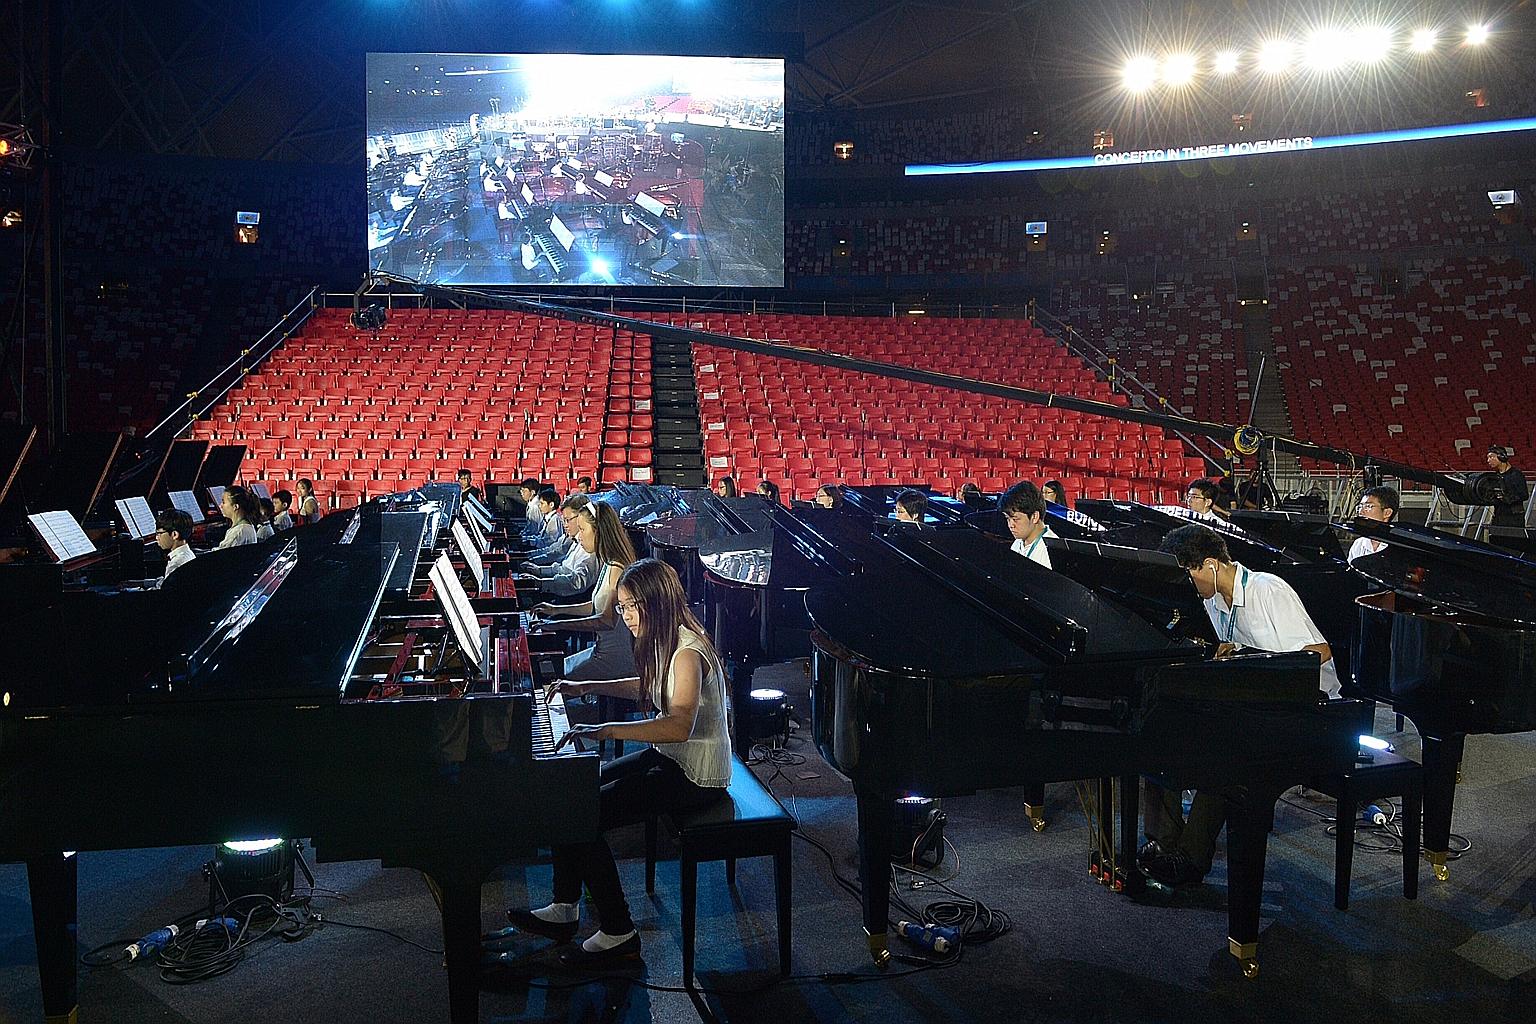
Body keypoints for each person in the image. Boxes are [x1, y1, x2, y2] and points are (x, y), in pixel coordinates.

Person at [508, 558, 731, 966]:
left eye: (631, 607)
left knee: (584, 813)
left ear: (656, 603)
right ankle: (564, 907)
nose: (624, 615)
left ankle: (618, 929)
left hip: (698, 775)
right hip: (673, 759)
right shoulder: (664, 638)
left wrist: (609, 730)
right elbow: (646, 686)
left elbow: (679, 725)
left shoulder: (687, 651)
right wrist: (584, 686)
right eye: (623, 606)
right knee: (572, 790)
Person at [1141, 524, 1340, 886]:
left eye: (1188, 573)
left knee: (1224, 754)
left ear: (1211, 565)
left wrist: (1254, 660)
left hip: (1311, 708)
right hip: (1256, 703)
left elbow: (1319, 653)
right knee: (1162, 733)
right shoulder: (1213, 602)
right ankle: (1164, 844)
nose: (1187, 584)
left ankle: (1190, 859)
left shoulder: (1267, 589)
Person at [532, 502, 640, 680]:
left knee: (554, 678)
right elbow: (595, 606)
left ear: (598, 531)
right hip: (600, 650)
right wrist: (555, 610)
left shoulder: (617, 568)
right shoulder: (608, 562)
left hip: (615, 658)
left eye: (582, 530)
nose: (579, 536)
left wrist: (557, 624)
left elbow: (606, 621)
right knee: (555, 669)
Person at [521, 494, 599, 596]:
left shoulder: (590, 547)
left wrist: (541, 582)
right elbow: (564, 568)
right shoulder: (577, 540)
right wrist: (538, 571)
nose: (565, 525)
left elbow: (577, 582)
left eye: (568, 520)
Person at [999, 481, 1054, 568]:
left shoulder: (1051, 550)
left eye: (1015, 519)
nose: (1010, 525)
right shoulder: (1018, 542)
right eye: (1007, 519)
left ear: (1034, 517)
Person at [1348, 486, 1398, 562]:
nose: (1361, 512)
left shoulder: (1397, 546)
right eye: (1360, 506)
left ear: (1387, 513)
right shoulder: (1359, 543)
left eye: (1368, 506)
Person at [1485, 445, 1530, 528]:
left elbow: (1524, 495)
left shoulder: (1516, 474)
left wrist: (1507, 497)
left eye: (1491, 457)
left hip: (1513, 519)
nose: (1488, 460)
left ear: (1501, 457)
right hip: (1498, 518)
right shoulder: (1495, 476)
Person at [154, 509, 196, 584]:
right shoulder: (189, 554)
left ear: (174, 535)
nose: (156, 538)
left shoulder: (175, 565)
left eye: (159, 533)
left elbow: (166, 593)